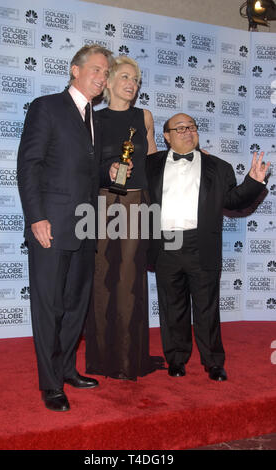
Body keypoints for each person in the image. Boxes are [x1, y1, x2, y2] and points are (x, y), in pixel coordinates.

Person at [17, 45, 114, 412]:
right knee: (49, 306)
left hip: (86, 227)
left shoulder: (96, 118)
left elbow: (88, 173)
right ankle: (50, 383)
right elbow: (30, 166)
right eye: (97, 70)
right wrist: (36, 217)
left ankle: (68, 368)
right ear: (75, 70)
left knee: (76, 305)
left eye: (106, 72)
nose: (102, 78)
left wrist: (110, 174)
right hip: (51, 226)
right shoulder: (47, 107)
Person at [145, 113, 270, 381]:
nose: (187, 131)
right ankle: (176, 359)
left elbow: (234, 201)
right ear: (166, 136)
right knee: (172, 306)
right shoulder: (149, 165)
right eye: (179, 128)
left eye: (191, 127)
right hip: (165, 243)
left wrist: (254, 182)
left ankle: (213, 362)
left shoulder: (219, 167)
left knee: (206, 307)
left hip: (201, 244)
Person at [85, 55, 160, 380]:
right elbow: (85, 165)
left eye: (137, 80)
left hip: (136, 202)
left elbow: (154, 160)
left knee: (130, 279)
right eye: (127, 77)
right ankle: (102, 359)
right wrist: (108, 169)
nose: (133, 84)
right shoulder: (93, 118)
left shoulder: (144, 116)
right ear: (111, 81)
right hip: (101, 202)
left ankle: (131, 359)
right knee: (101, 277)